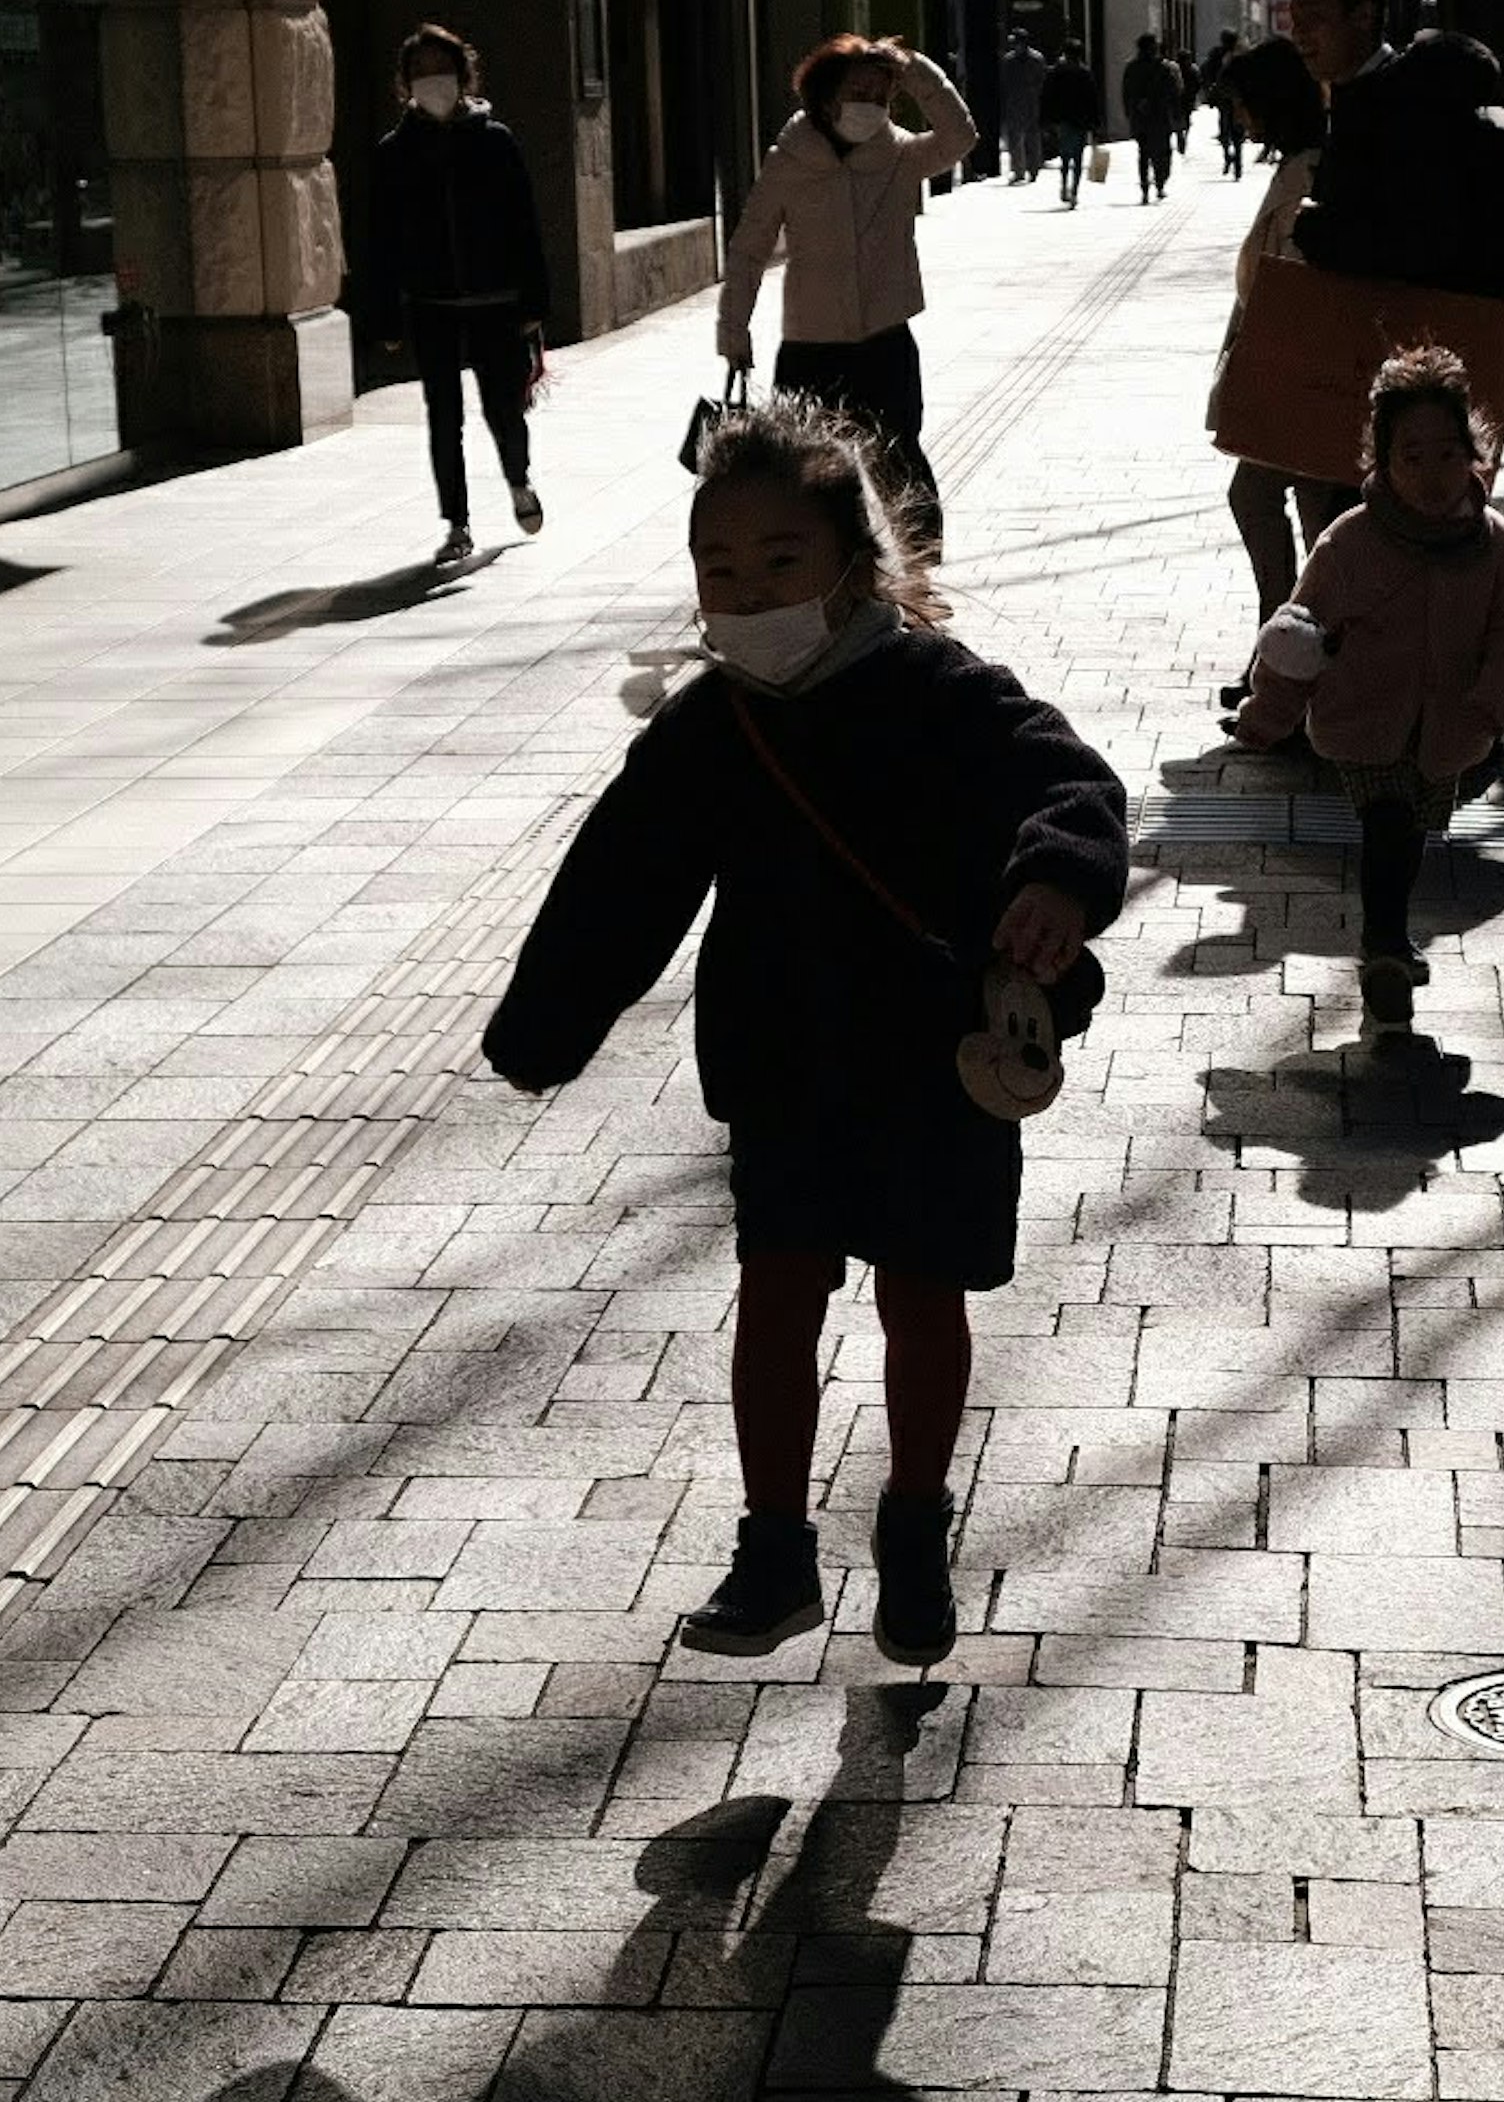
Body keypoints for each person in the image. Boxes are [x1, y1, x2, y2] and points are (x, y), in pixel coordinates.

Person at [480, 401, 1129, 1664]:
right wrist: (543, 1029)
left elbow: (1072, 781)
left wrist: (1054, 875)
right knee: (777, 1292)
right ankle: (773, 1549)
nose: (746, 590)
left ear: (851, 562)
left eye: (780, 561)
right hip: (783, 1064)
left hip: (937, 1066)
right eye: (718, 568)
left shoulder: (942, 691)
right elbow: (621, 882)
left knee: (921, 1297)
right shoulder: (714, 726)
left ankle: (912, 1527)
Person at [1228, 347, 1504, 1036]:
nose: (1432, 476)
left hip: (1452, 726)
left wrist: (1490, 710)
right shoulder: (1352, 544)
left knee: (1411, 824)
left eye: (1446, 455)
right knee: (1388, 821)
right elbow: (1301, 634)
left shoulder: (1496, 549)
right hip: (1365, 722)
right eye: (1412, 458)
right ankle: (1384, 948)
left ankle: (1391, 940)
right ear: (1382, 461)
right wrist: (1270, 710)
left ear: (1474, 452)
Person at [720, 35, 979, 552]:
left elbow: (960, 136)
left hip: (885, 340)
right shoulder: (788, 161)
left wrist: (914, 71)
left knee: (900, 460)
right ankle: (830, 574)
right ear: (826, 94)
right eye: (859, 91)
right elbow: (750, 248)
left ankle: (922, 577)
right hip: (810, 346)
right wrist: (734, 329)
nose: (871, 105)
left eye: (882, 96)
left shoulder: (900, 155)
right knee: (811, 474)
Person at [355, 23, 549, 562]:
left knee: (504, 408)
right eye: (419, 72)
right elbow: (382, 240)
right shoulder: (395, 154)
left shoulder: (495, 142)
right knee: (444, 418)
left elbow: (524, 225)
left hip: (496, 302)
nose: (430, 81)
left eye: (440, 69)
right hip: (431, 304)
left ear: (463, 75)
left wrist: (534, 304)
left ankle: (518, 480)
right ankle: (457, 523)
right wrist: (384, 318)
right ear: (405, 84)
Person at [1282, 0, 1504, 310]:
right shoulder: (1370, 99)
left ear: (1364, 16)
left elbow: (1423, 242)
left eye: (1314, 17)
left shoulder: (1408, 107)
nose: (1298, 33)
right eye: (1294, 18)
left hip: (1430, 343)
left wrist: (1316, 232)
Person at [1206, 40, 1350, 623]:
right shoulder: (1303, 163)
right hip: (1296, 362)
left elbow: (1296, 281)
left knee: (1268, 497)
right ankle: (1294, 649)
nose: (1239, 115)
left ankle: (1292, 644)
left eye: (1243, 103)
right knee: (1308, 505)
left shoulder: (1311, 169)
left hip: (1301, 365)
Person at [1038, 44, 1104, 209]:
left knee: (1065, 156)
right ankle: (1074, 190)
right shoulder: (1084, 73)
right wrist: (1096, 125)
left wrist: (1045, 120)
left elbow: (1046, 97)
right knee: (1078, 157)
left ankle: (1065, 185)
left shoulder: (1056, 73)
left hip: (1063, 121)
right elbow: (1093, 100)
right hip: (1080, 122)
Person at [1120, 33, 1183, 204]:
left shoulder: (1131, 67)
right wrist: (1177, 114)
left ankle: (1145, 187)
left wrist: (1130, 112)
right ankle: (1160, 183)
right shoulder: (1163, 67)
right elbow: (1174, 93)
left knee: (1144, 153)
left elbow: (1126, 94)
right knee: (1162, 152)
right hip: (1160, 117)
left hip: (1140, 117)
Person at [998, 31, 1049, 184]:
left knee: (1032, 137)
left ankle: (1033, 168)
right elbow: (1004, 83)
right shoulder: (1009, 61)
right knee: (1015, 138)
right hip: (1015, 103)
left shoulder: (1036, 60)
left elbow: (1043, 81)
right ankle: (1018, 169)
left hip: (1031, 103)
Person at [1202, 31, 1248, 179]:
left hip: (1227, 99)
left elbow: (1206, 72)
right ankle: (1235, 162)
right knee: (1235, 133)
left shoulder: (1235, 55)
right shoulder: (1241, 55)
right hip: (1234, 99)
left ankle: (1232, 160)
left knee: (1227, 131)